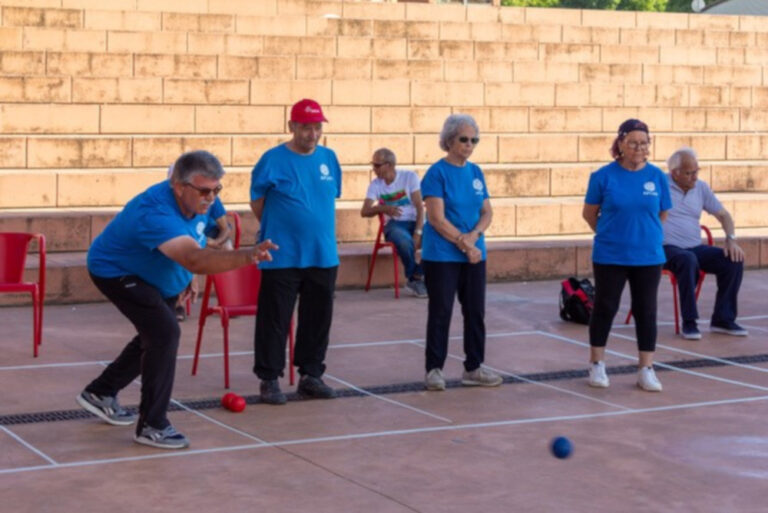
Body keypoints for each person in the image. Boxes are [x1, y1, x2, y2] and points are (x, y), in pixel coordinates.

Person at [77, 150, 277, 449]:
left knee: (157, 332)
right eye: (205, 191)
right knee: (165, 332)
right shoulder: (155, 211)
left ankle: (101, 392)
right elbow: (195, 257)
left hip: (159, 272)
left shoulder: (200, 200)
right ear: (178, 186)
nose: (211, 198)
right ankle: (152, 425)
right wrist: (248, 255)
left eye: (216, 190)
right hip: (115, 270)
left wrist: (186, 279)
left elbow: (198, 239)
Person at [250, 98, 341, 405]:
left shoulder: (329, 158)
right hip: (282, 254)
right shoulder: (272, 160)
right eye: (305, 127)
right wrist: (281, 228)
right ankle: (268, 378)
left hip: (322, 253)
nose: (312, 134)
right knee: (274, 319)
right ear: (291, 127)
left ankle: (311, 375)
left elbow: (329, 197)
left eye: (317, 127)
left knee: (318, 317)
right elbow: (257, 202)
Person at [582, 119, 672, 392]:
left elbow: (662, 213)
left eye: (644, 143)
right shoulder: (603, 177)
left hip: (648, 256)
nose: (638, 148)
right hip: (611, 255)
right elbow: (589, 213)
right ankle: (597, 364)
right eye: (632, 143)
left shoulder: (657, 177)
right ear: (620, 144)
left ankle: (646, 368)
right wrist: (611, 234)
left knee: (646, 310)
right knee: (606, 307)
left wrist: (645, 236)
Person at [420, 113, 502, 391]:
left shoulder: (476, 172)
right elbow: (436, 218)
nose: (469, 145)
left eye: (474, 140)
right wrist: (464, 243)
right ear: (449, 140)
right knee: (441, 311)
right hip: (442, 255)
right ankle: (434, 369)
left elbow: (487, 211)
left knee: (475, 311)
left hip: (474, 254)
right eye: (463, 139)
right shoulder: (437, 173)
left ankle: (474, 367)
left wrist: (475, 236)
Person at [663, 147, 748, 340]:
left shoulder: (700, 187)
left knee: (733, 260)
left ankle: (723, 319)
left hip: (694, 247)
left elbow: (724, 215)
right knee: (687, 259)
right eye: (689, 173)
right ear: (674, 173)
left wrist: (731, 240)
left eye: (696, 172)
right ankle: (690, 322)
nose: (694, 177)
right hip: (665, 249)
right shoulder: (661, 185)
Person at [165, 165, 233, 321]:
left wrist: (216, 243)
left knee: (228, 248)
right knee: (178, 254)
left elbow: (225, 229)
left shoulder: (211, 197)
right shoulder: (170, 205)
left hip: (207, 235)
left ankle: (230, 298)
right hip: (187, 239)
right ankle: (178, 304)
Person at [360, 148, 426, 297]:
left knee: (438, 239)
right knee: (403, 241)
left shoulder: (409, 177)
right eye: (373, 165)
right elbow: (364, 211)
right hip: (395, 225)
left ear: (389, 165)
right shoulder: (375, 184)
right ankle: (415, 278)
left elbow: (420, 208)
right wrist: (383, 208)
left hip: (416, 221)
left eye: (377, 165)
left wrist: (418, 231)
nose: (374, 169)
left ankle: (419, 277)